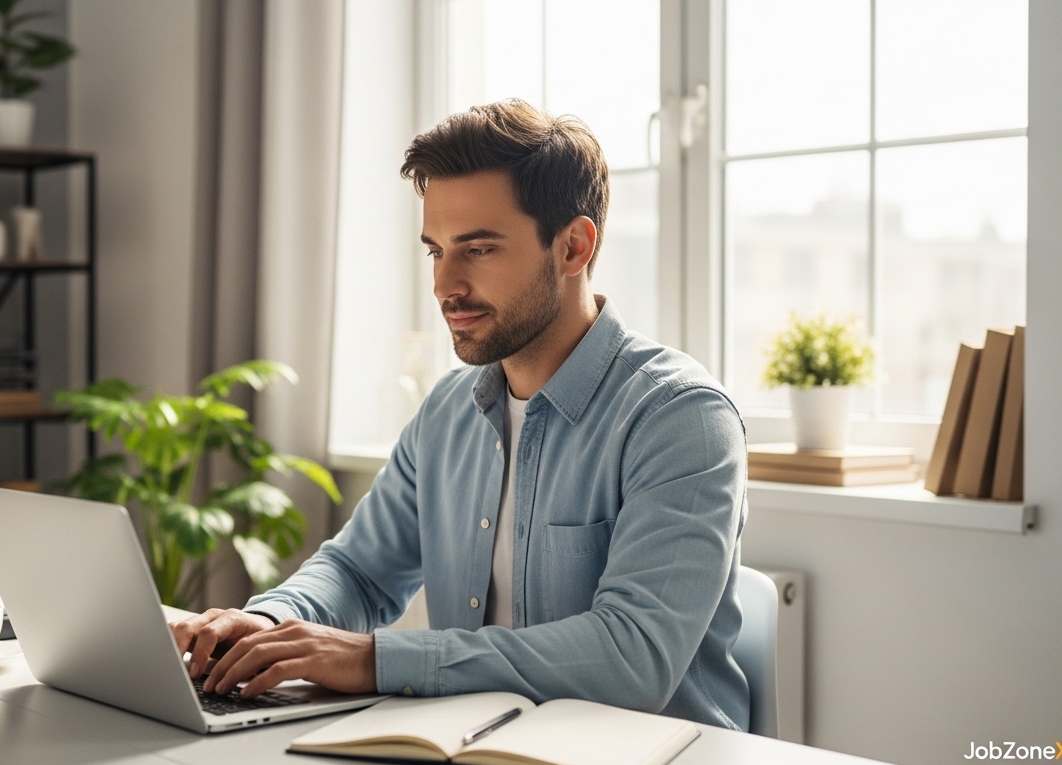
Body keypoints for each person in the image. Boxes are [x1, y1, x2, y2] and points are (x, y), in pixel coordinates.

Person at [171, 99, 750, 731]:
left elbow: (631, 657)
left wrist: (374, 659)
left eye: (477, 249)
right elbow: (360, 571)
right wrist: (271, 622)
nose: (446, 284)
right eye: (435, 251)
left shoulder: (681, 417)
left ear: (574, 248)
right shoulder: (449, 409)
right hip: (474, 744)